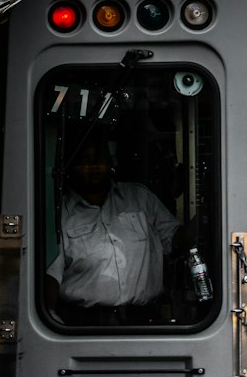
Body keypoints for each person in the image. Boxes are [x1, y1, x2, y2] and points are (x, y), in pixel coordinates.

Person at [45, 135, 182, 325]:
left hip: (144, 322)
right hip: (84, 325)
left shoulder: (140, 198)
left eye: (99, 158)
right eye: (85, 160)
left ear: (111, 162)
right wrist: (50, 317)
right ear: (72, 167)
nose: (93, 165)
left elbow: (177, 240)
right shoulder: (60, 213)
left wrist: (207, 210)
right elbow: (51, 275)